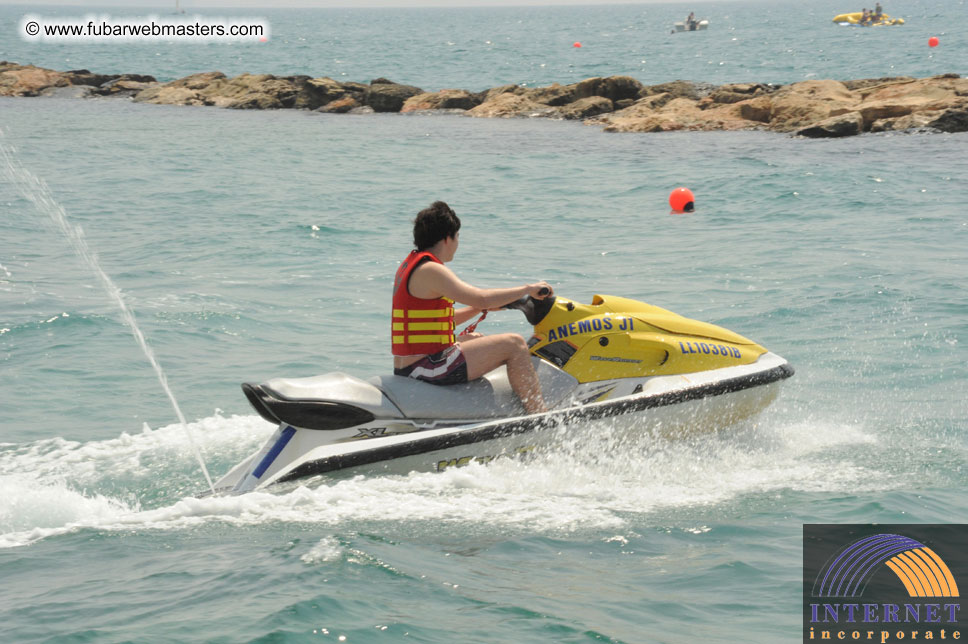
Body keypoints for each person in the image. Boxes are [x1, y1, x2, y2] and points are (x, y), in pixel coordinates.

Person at [392, 201, 553, 414]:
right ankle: (540, 416)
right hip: (425, 367)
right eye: (457, 237)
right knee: (514, 344)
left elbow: (441, 322)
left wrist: (478, 310)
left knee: (476, 338)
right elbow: (481, 298)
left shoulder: (411, 265)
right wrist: (528, 289)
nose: (458, 243)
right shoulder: (432, 270)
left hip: (414, 365)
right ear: (447, 238)